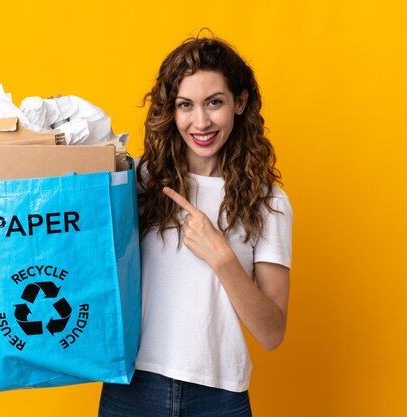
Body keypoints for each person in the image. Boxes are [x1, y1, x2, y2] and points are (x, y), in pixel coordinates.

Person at [99, 33, 293, 417]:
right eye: (185, 105)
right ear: (170, 111)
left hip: (219, 399)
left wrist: (222, 258)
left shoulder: (269, 202)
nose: (200, 121)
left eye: (214, 103)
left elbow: (272, 334)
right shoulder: (139, 181)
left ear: (240, 103)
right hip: (131, 389)